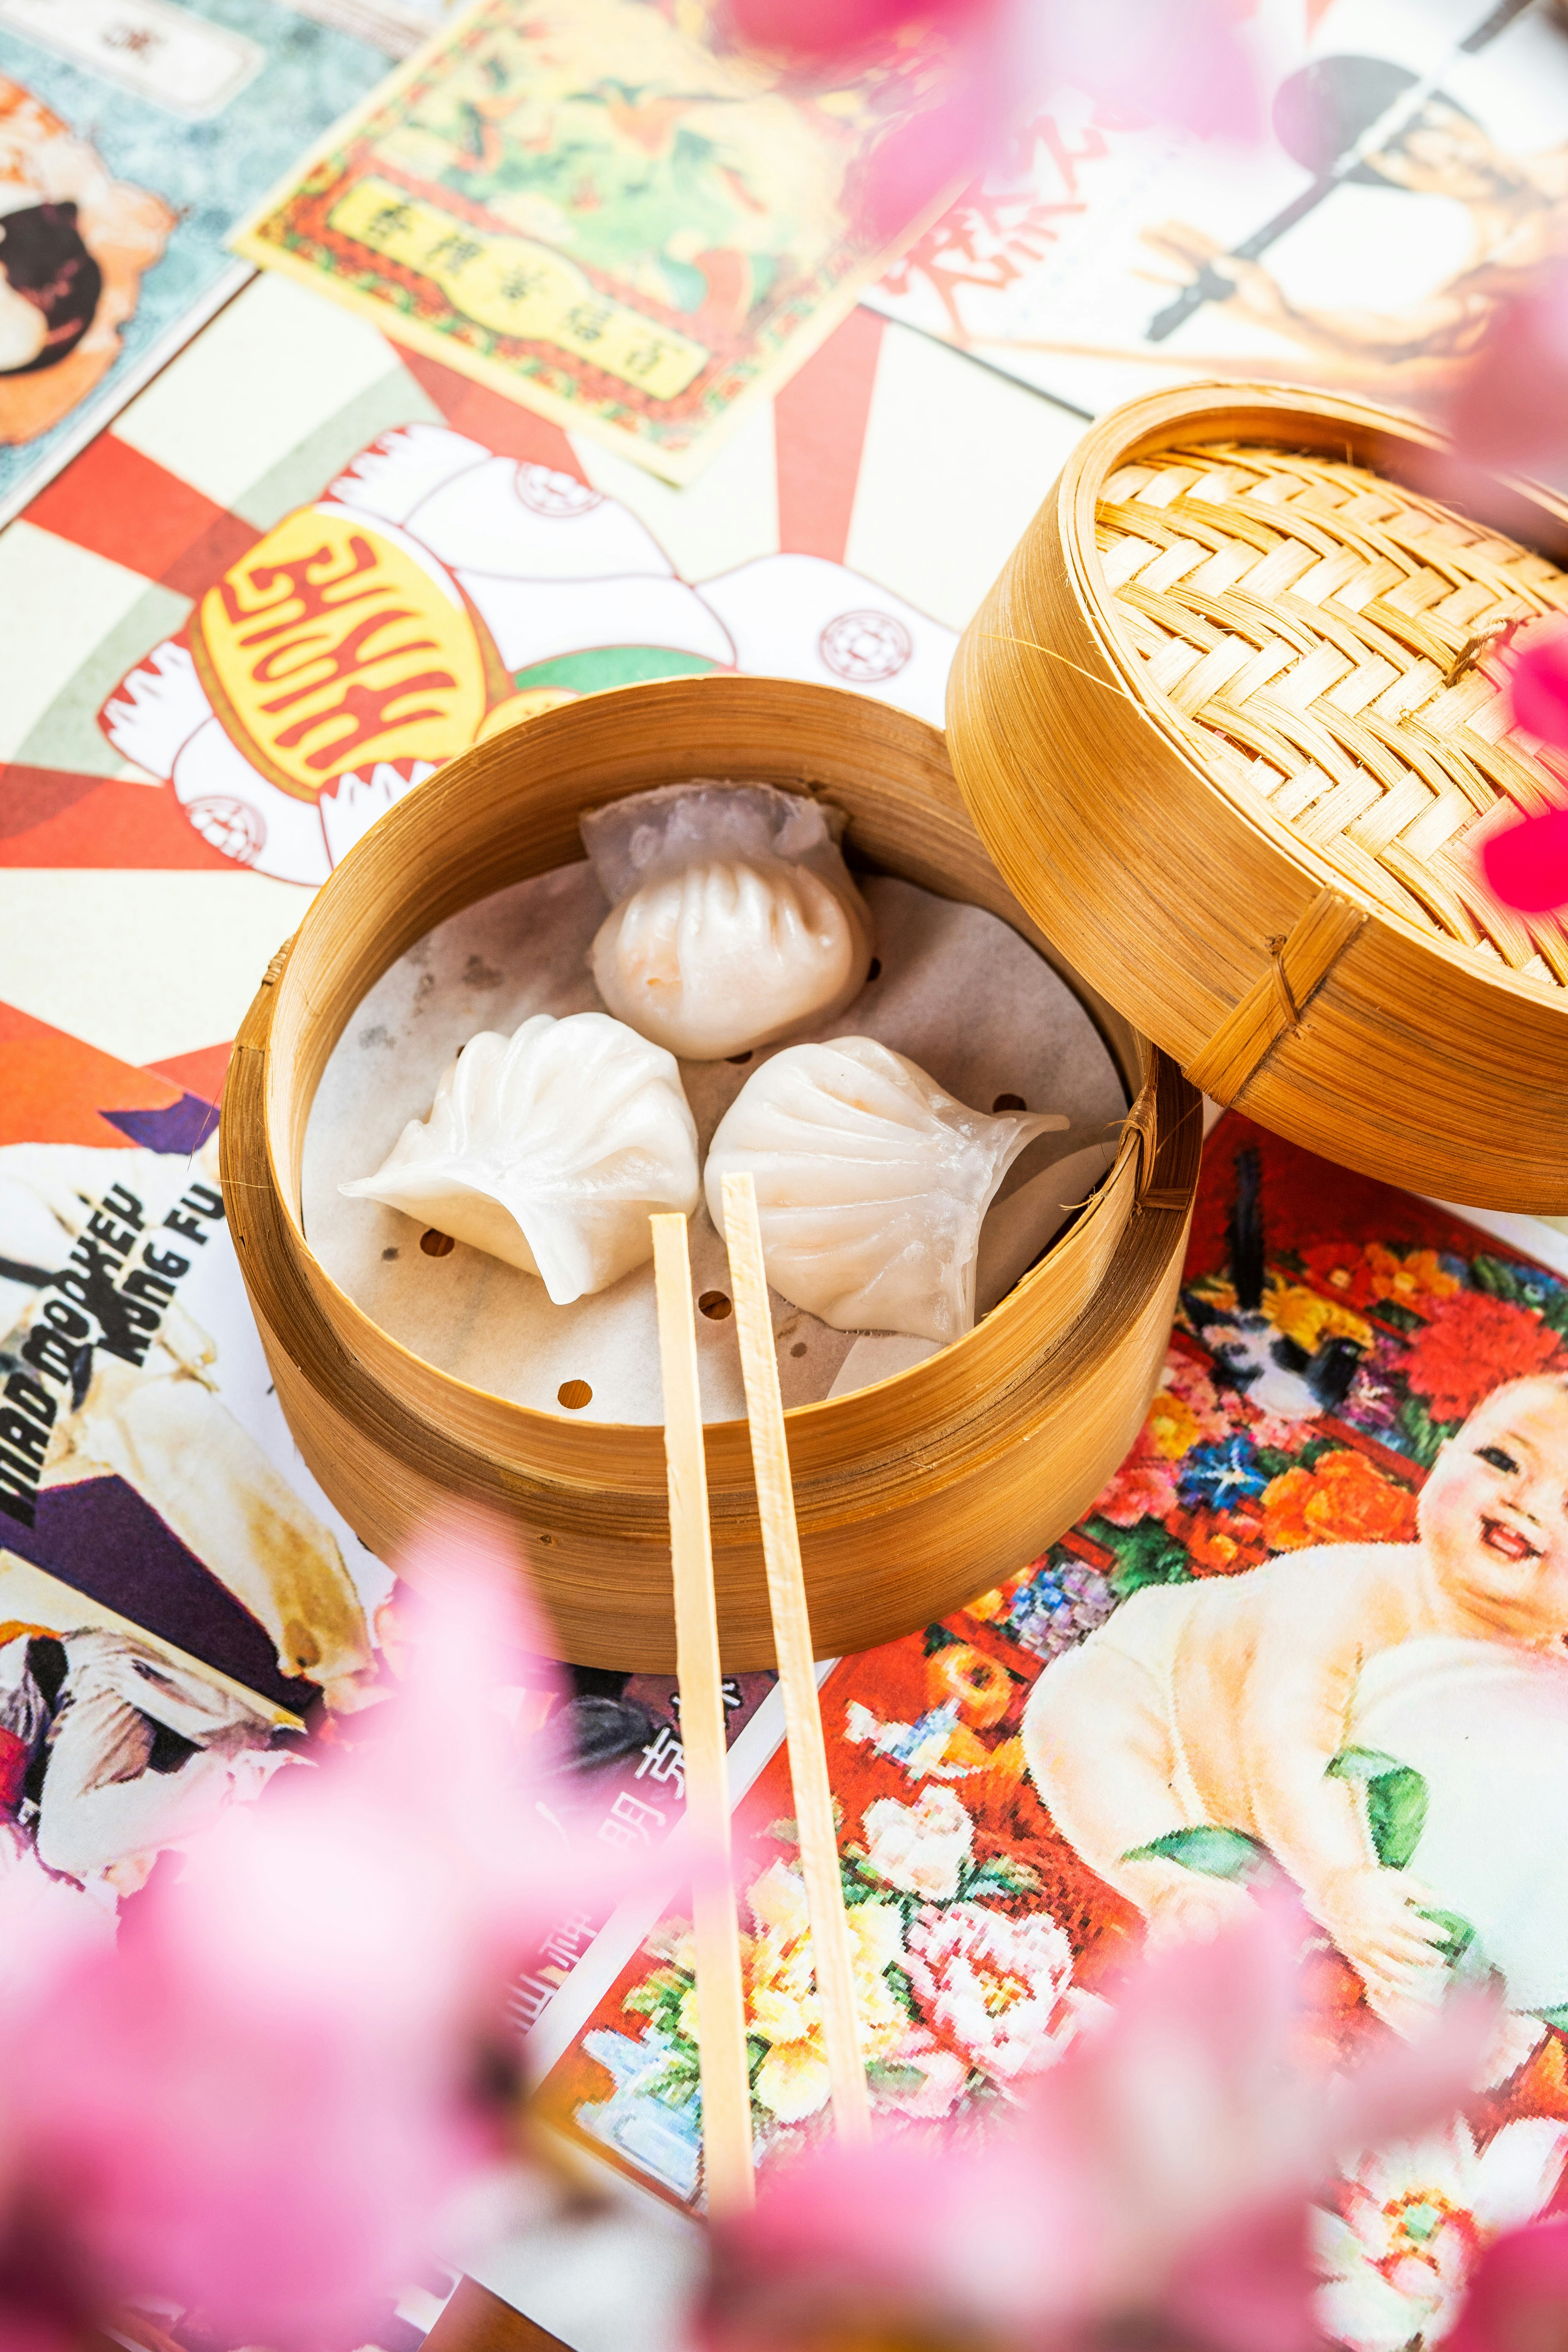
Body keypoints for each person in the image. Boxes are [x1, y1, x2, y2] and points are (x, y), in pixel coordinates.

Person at [1023, 1375, 1568, 2025]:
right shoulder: (1346, 1592)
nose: (1526, 1504)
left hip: (1324, 1842)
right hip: (1180, 1723)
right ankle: (1180, 1888)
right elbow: (1285, 1740)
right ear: (1445, 1456)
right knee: (1082, 1711)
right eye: (1503, 1461)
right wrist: (1341, 1881)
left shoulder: (1542, 1689)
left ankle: (1396, 1971)